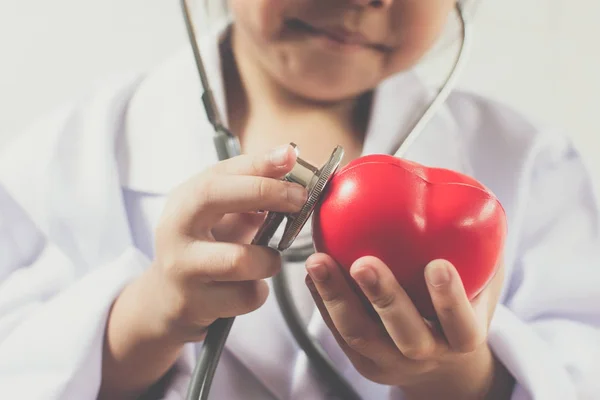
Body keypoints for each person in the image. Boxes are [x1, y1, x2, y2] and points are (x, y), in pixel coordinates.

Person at [0, 0, 599, 399]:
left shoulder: (531, 167)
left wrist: (457, 376)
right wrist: (143, 320)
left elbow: (581, 366)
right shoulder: (66, 156)